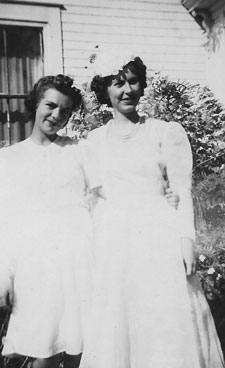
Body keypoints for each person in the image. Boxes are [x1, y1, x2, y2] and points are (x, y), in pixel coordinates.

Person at [80, 48, 225, 368]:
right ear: (105, 89)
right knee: (118, 327)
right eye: (118, 82)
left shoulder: (164, 133)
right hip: (115, 244)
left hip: (158, 238)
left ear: (142, 86)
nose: (127, 89)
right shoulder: (94, 141)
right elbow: (94, 197)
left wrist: (186, 240)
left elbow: (182, 191)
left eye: (133, 81)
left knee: (165, 326)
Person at [0, 74, 101, 368]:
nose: (57, 115)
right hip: (35, 265)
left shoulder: (78, 151)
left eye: (66, 111)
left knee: (78, 348)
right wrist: (4, 274)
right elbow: (5, 220)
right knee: (43, 349)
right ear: (36, 104)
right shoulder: (8, 159)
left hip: (79, 259)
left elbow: (102, 197)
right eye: (50, 105)